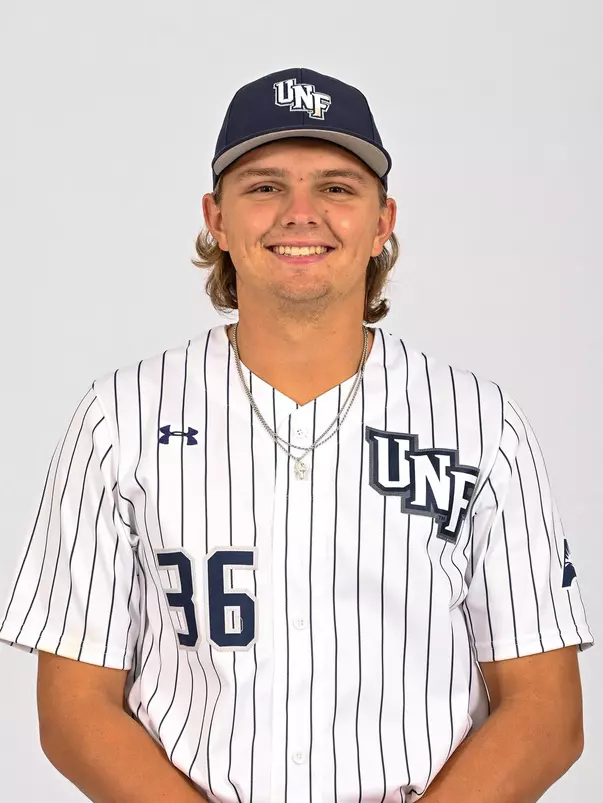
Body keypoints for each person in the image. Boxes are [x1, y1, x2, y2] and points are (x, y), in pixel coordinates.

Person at [0, 67, 595, 803]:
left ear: (383, 220)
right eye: (264, 186)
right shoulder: (117, 418)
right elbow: (73, 706)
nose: (300, 213)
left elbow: (546, 710)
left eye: (337, 188)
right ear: (216, 218)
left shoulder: (480, 422)